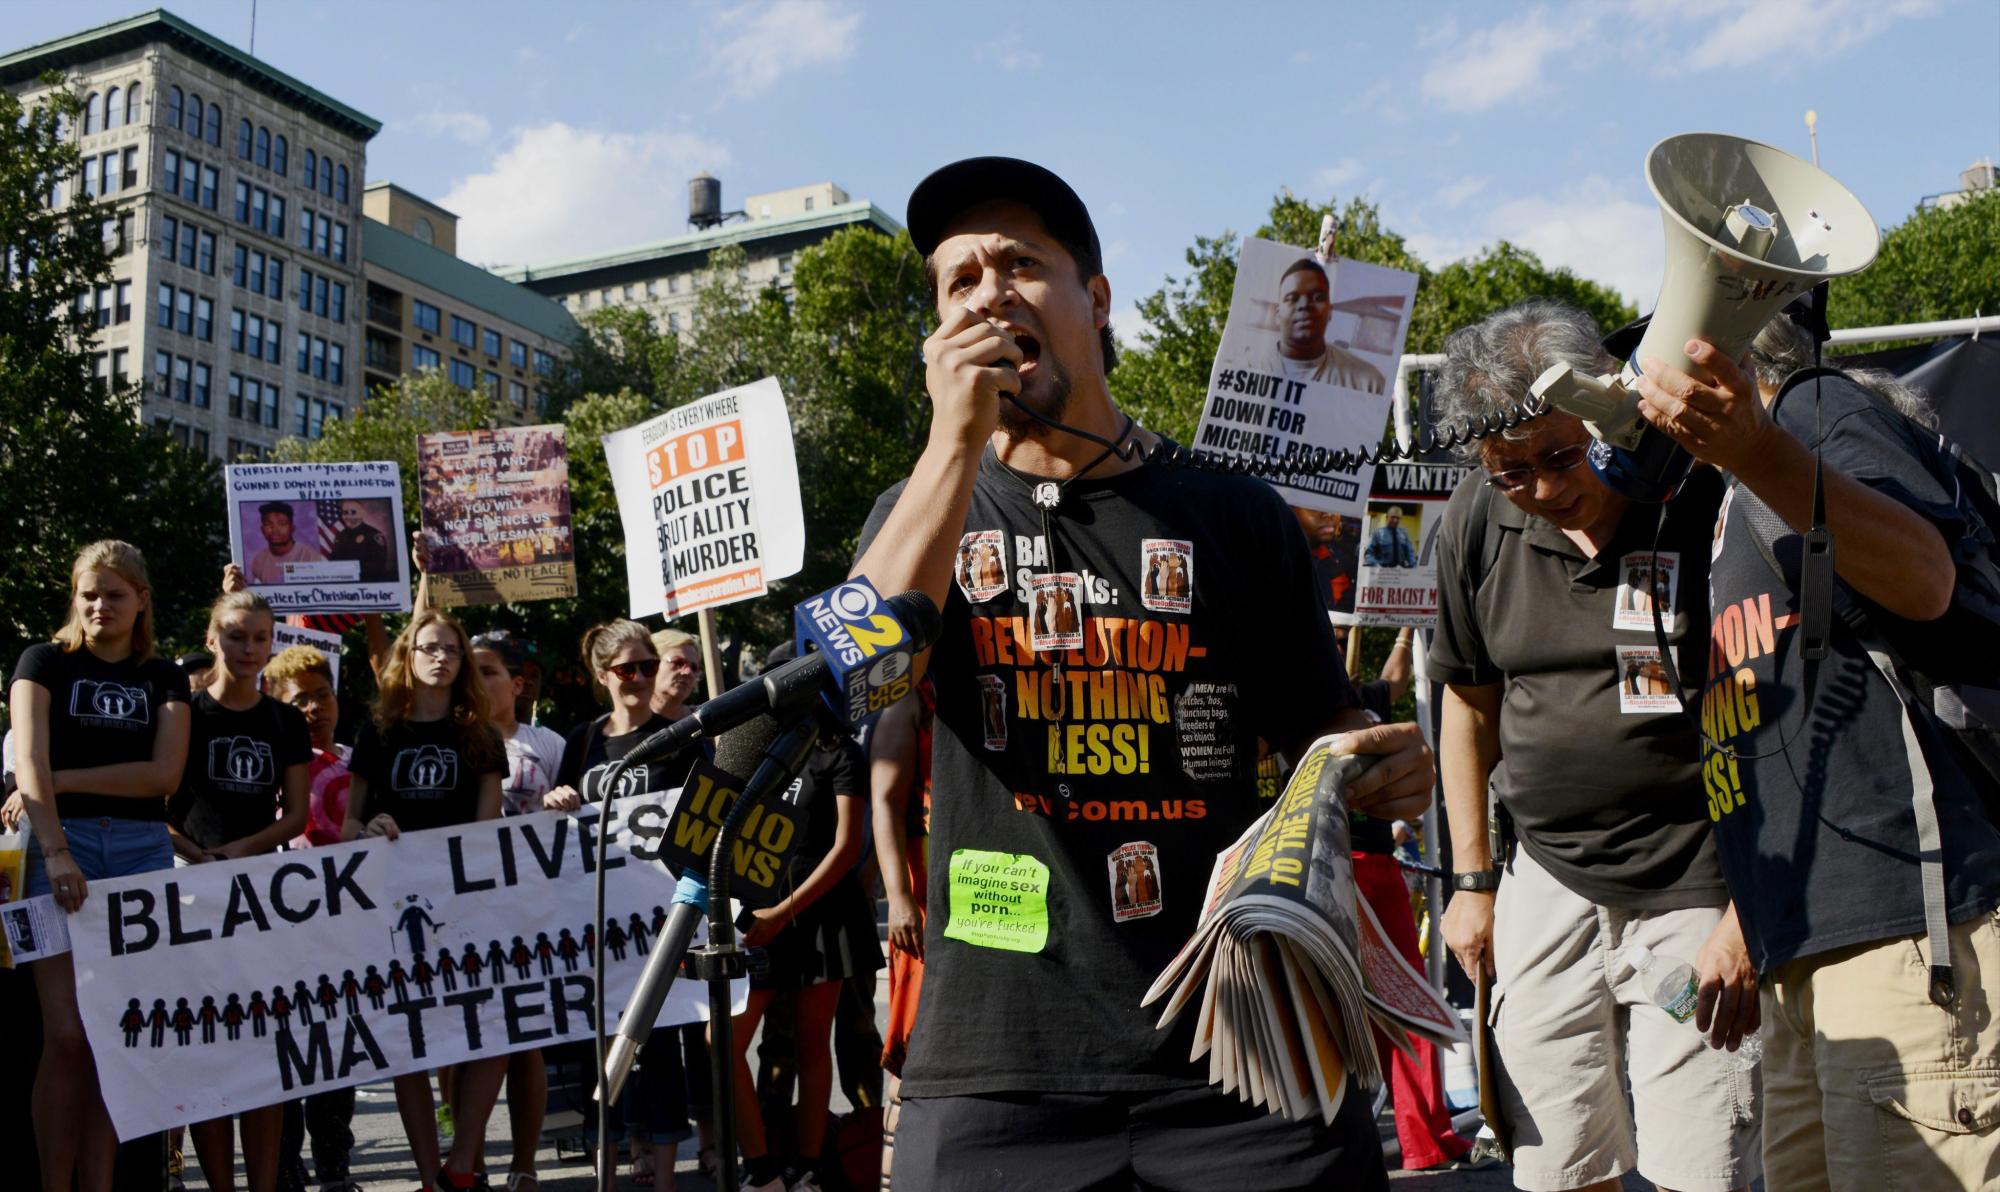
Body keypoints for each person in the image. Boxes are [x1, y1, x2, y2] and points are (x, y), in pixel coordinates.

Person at [852, 156, 1434, 1190]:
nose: (989, 294)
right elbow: (859, 678)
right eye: (959, 281)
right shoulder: (918, 511)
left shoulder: (1232, 509)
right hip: (999, 1069)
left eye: (1020, 264)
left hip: (1245, 1055)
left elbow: (1323, 729)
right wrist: (952, 446)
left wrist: (1383, 764)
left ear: (1096, 299)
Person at [1629, 310, 2000, 1189]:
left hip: (1903, 938)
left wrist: (1760, 447)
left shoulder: (1813, 409)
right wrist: (1748, 918)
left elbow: (1925, 578)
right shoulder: (1732, 493)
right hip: (1809, 952)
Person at [1428, 301, 1756, 1192]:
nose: (1540, 489)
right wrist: (1472, 884)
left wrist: (1746, 912)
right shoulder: (1476, 519)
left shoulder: (1701, 493)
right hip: (1546, 878)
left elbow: (1783, 713)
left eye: (1560, 457)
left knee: (1704, 1163)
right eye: (1510, 471)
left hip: (1695, 880)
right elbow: (1467, 703)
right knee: (1557, 1162)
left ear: (1605, 408)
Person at [11, 541, 192, 1192]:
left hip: (143, 851)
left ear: (141, 600)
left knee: (111, 1036)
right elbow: (27, 762)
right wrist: (56, 848)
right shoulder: (41, 661)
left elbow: (163, 776)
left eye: (115, 595)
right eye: (89, 594)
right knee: (64, 1036)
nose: (99, 606)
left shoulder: (166, 676)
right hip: (56, 847)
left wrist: (59, 778)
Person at [342, 610, 506, 1191]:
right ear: (407, 658)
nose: (441, 658)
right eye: (429, 648)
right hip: (393, 910)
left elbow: (487, 832)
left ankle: (461, 1164)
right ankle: (427, 1178)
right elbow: (348, 825)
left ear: (463, 663)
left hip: (465, 907)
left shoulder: (482, 737)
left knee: (490, 1032)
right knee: (405, 1042)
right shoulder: (377, 734)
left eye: (451, 650)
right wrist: (367, 832)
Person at [715, 644, 879, 1192]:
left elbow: (845, 849)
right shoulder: (745, 746)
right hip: (755, 919)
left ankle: (807, 1168)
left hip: (821, 916)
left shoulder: (839, 751)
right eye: (775, 680)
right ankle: (761, 1169)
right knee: (724, 1042)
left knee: (813, 1047)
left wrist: (783, 912)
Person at [545, 621, 699, 1190]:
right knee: (599, 1051)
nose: (637, 678)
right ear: (602, 675)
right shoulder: (582, 740)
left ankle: (667, 1181)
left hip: (659, 919)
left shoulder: (679, 737)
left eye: (646, 667)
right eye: (625, 669)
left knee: (658, 1049)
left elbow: (702, 816)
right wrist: (556, 799)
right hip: (595, 921)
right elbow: (554, 820)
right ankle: (606, 1176)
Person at [167, 585, 311, 1192]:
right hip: (188, 892)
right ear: (211, 638)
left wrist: (239, 852)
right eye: (235, 636)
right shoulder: (182, 714)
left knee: (263, 1050)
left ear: (271, 644)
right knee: (207, 1049)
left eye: (259, 638)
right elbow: (156, 805)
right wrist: (196, 854)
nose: (248, 648)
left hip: (260, 895)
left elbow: (297, 815)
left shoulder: (285, 720)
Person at [469, 629, 565, 1192]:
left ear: (517, 684)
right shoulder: (450, 744)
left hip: (530, 911)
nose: (478, 682)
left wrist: (564, 799)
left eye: (488, 672)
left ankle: (524, 1165)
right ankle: (469, 1160)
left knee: (526, 1038)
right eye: (471, 672)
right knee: (463, 1042)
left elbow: (580, 819)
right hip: (467, 909)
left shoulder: (546, 744)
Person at [262, 644, 360, 1192]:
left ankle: (334, 1165)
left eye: (322, 696)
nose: (314, 709)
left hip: (345, 927)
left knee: (337, 1045)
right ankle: (284, 1164)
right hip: (283, 926)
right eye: (300, 700)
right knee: (285, 1044)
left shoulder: (358, 762)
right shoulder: (270, 765)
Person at [1247, 257, 1385, 393]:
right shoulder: (1246, 366)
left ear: (1330, 311)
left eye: (1318, 298)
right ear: (1277, 315)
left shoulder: (1369, 382)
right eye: (1292, 299)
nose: (1304, 305)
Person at [247, 502, 325, 585]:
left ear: (292, 528)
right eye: (269, 524)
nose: (275, 530)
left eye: (282, 524)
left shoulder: (310, 556)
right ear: (262, 530)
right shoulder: (259, 560)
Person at [328, 500, 394, 582]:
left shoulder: (373, 535)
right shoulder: (340, 535)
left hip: (367, 582)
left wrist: (349, 570)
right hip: (343, 582)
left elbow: (378, 566)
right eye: (345, 512)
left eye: (353, 512)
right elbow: (333, 560)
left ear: (362, 514)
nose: (348, 516)